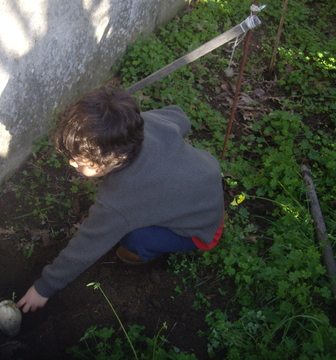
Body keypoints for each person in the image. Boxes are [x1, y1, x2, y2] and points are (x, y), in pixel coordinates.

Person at [16, 85, 224, 313]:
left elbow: (86, 246)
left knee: (132, 237)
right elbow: (179, 117)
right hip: (207, 181)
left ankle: (142, 255)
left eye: (80, 162)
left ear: (115, 158)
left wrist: (43, 288)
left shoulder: (118, 202)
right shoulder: (139, 127)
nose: (72, 164)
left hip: (202, 229)